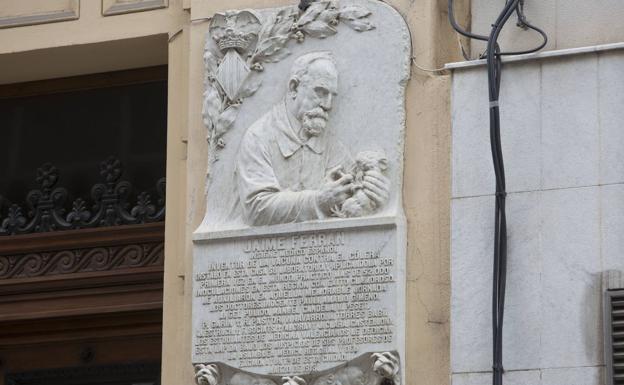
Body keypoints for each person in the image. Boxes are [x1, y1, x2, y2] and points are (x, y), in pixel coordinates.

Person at [236, 51, 390, 226]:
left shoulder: (331, 145)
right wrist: (318, 201)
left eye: (332, 96)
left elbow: (349, 193)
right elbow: (257, 210)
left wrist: (373, 194)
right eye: (321, 92)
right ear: (294, 87)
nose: (328, 105)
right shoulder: (259, 136)